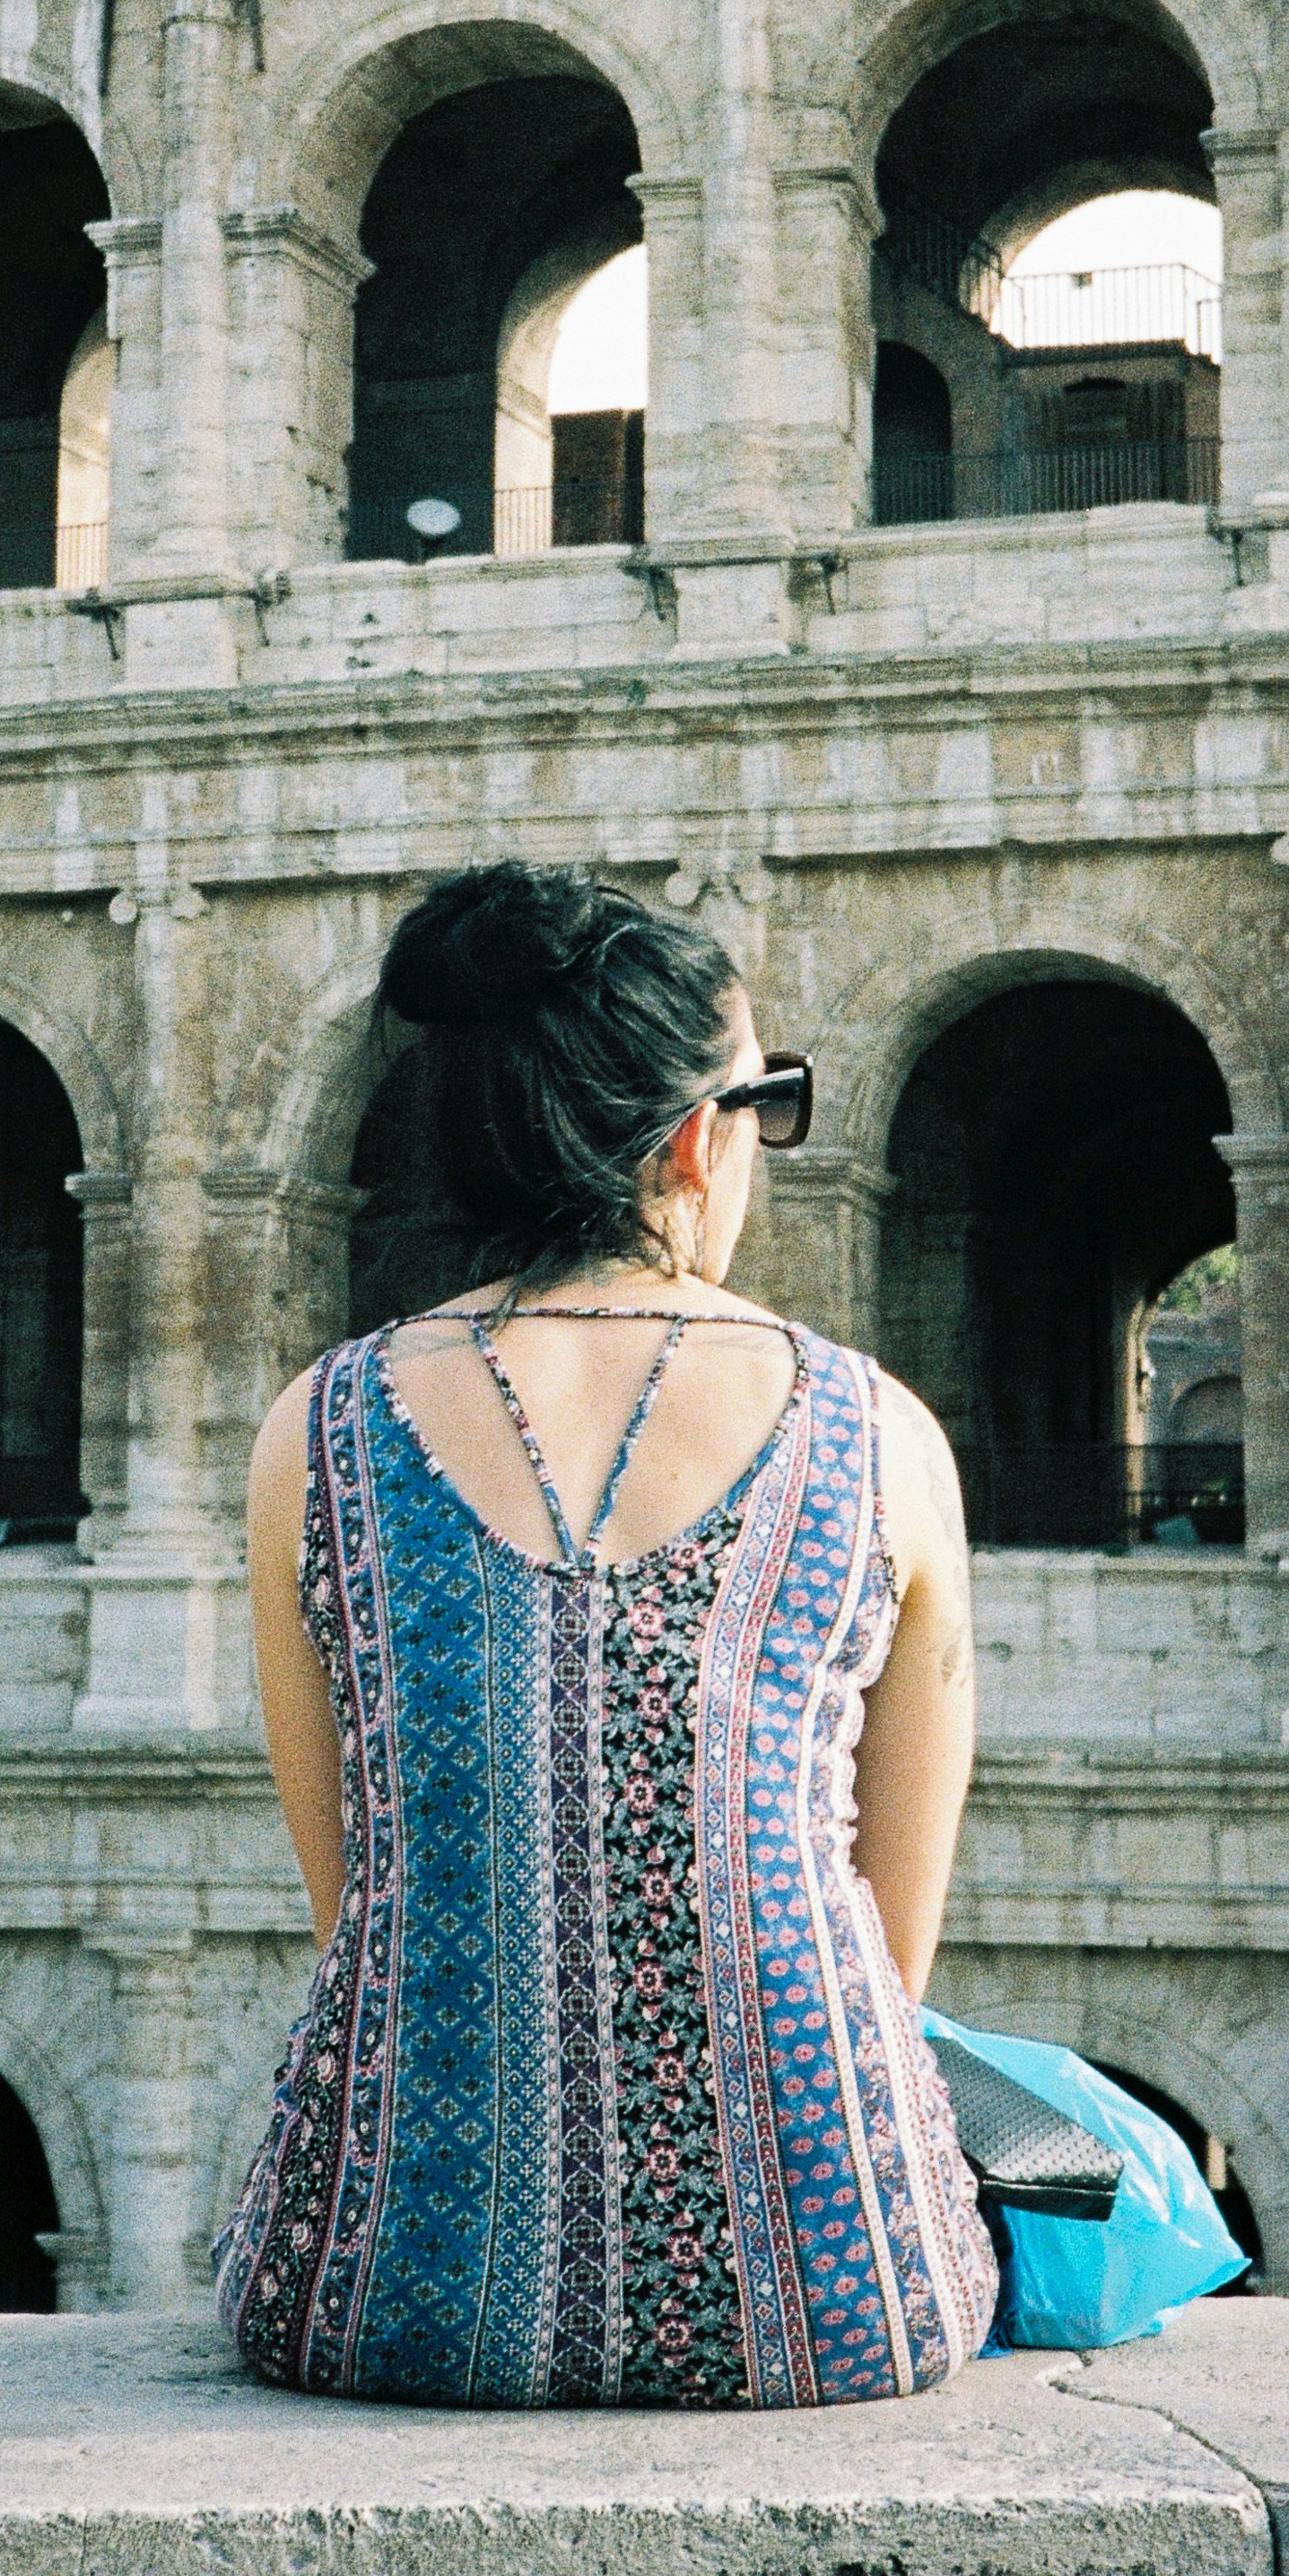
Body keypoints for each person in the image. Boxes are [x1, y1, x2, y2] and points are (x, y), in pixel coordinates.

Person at [217, 858, 999, 2407]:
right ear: (697, 1138)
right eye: (765, 1102)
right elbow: (883, 1955)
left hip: (385, 2295)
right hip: (846, 2296)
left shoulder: (317, 1432)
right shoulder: (880, 1431)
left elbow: (357, 1905)